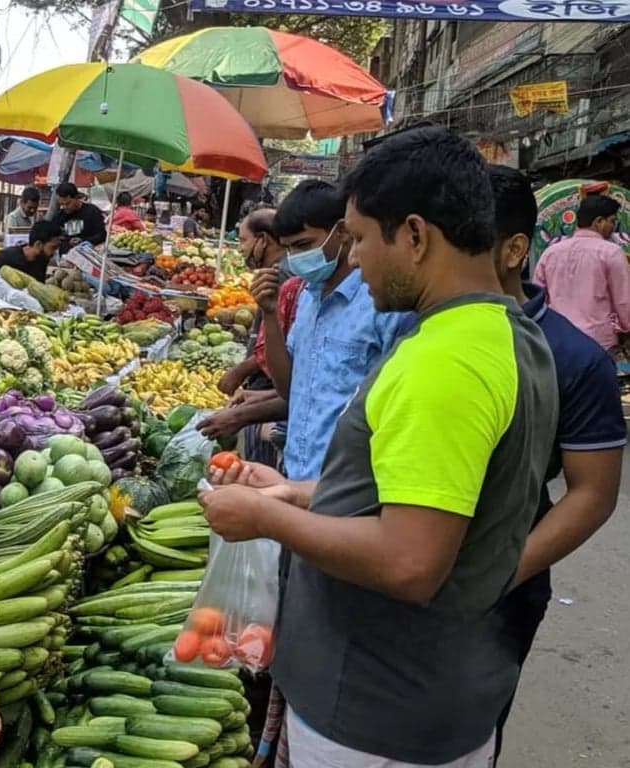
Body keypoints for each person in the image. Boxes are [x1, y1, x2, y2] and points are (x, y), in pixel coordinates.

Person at [203, 126, 559, 767]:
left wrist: (266, 517)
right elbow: (424, 493)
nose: (355, 257)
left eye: (361, 238)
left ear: (416, 236)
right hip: (426, 692)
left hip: (377, 715)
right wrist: (296, 491)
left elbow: (408, 560)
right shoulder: (502, 332)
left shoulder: (444, 363)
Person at [487, 165, 625, 758]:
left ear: (513, 249)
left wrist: (500, 574)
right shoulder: (408, 327)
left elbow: (592, 491)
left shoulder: (571, 362)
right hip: (396, 572)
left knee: (474, 729)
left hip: (501, 578)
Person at [257, 179, 412, 482]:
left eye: (304, 245)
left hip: (346, 488)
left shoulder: (379, 305)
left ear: (341, 232)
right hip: (297, 470)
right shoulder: (306, 298)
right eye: (288, 249)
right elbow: (290, 389)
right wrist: (270, 314)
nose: (297, 259)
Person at [200, 207, 299, 468]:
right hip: (267, 393)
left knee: (262, 467)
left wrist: (240, 371)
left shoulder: (284, 275)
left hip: (272, 387)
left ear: (263, 240)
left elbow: (282, 337)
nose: (240, 248)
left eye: (244, 240)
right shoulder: (274, 273)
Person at [533, 194, 630, 357]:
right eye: (612, 221)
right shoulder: (611, 252)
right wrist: (626, 329)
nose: (614, 227)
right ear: (598, 221)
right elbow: (623, 302)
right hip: (598, 343)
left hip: (558, 340)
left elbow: (537, 298)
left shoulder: (550, 253)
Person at [0, 220, 62, 285]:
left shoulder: (41, 260)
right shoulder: (10, 256)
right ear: (38, 245)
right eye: (53, 247)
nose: (54, 252)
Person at [52, 183, 107, 252]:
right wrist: (68, 241)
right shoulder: (59, 217)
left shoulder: (92, 212)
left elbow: (101, 235)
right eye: (61, 204)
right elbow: (55, 239)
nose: (65, 207)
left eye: (68, 203)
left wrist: (84, 240)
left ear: (76, 198)